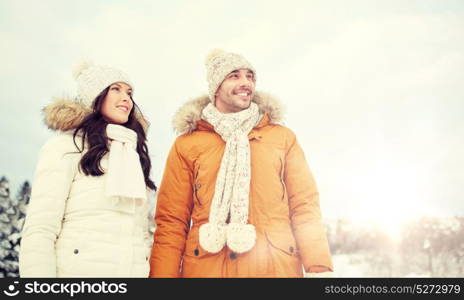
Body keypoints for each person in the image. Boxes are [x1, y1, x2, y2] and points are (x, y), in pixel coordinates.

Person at [149, 49, 333, 277]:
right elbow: (171, 220)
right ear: (216, 87)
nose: (246, 82)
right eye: (234, 75)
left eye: (250, 76)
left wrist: (319, 267)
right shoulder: (187, 144)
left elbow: (304, 206)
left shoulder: (282, 138)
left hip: (274, 268)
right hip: (207, 269)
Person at [19, 62, 156, 277]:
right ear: (96, 96)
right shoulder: (65, 146)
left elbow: (140, 234)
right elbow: (41, 228)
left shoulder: (132, 154)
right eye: (115, 89)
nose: (126, 99)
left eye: (129, 93)